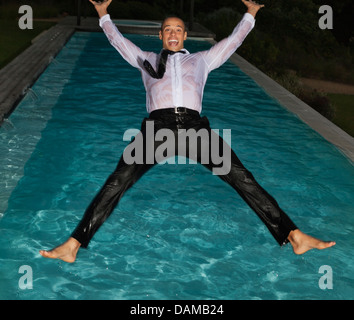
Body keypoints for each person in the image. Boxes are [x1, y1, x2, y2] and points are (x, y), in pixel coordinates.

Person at [40, 0, 335, 263]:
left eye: (178, 29)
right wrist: (103, 14)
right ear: (160, 35)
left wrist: (251, 13)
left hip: (195, 128)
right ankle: (74, 243)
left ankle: (294, 236)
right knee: (118, 180)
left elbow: (232, 42)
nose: (172, 33)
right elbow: (119, 41)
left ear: (184, 35)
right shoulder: (147, 60)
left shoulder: (202, 60)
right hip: (158, 128)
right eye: (167, 29)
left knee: (242, 178)